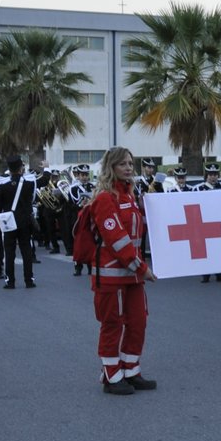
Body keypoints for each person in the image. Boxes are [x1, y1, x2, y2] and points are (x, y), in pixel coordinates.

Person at [88, 147, 158, 394]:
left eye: (130, 163)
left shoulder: (130, 195)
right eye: (122, 164)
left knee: (138, 322)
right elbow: (117, 239)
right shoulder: (105, 199)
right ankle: (112, 375)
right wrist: (142, 268)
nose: (129, 168)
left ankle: (131, 369)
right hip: (111, 276)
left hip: (133, 275)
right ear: (111, 167)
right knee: (112, 324)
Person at [0, 156, 38, 288]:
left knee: (9, 252)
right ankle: (29, 280)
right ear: (21, 168)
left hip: (9, 222)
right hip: (25, 221)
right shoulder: (30, 183)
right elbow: (33, 199)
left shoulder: (3, 185)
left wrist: (1, 214)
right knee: (26, 251)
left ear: (9, 169)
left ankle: (10, 281)